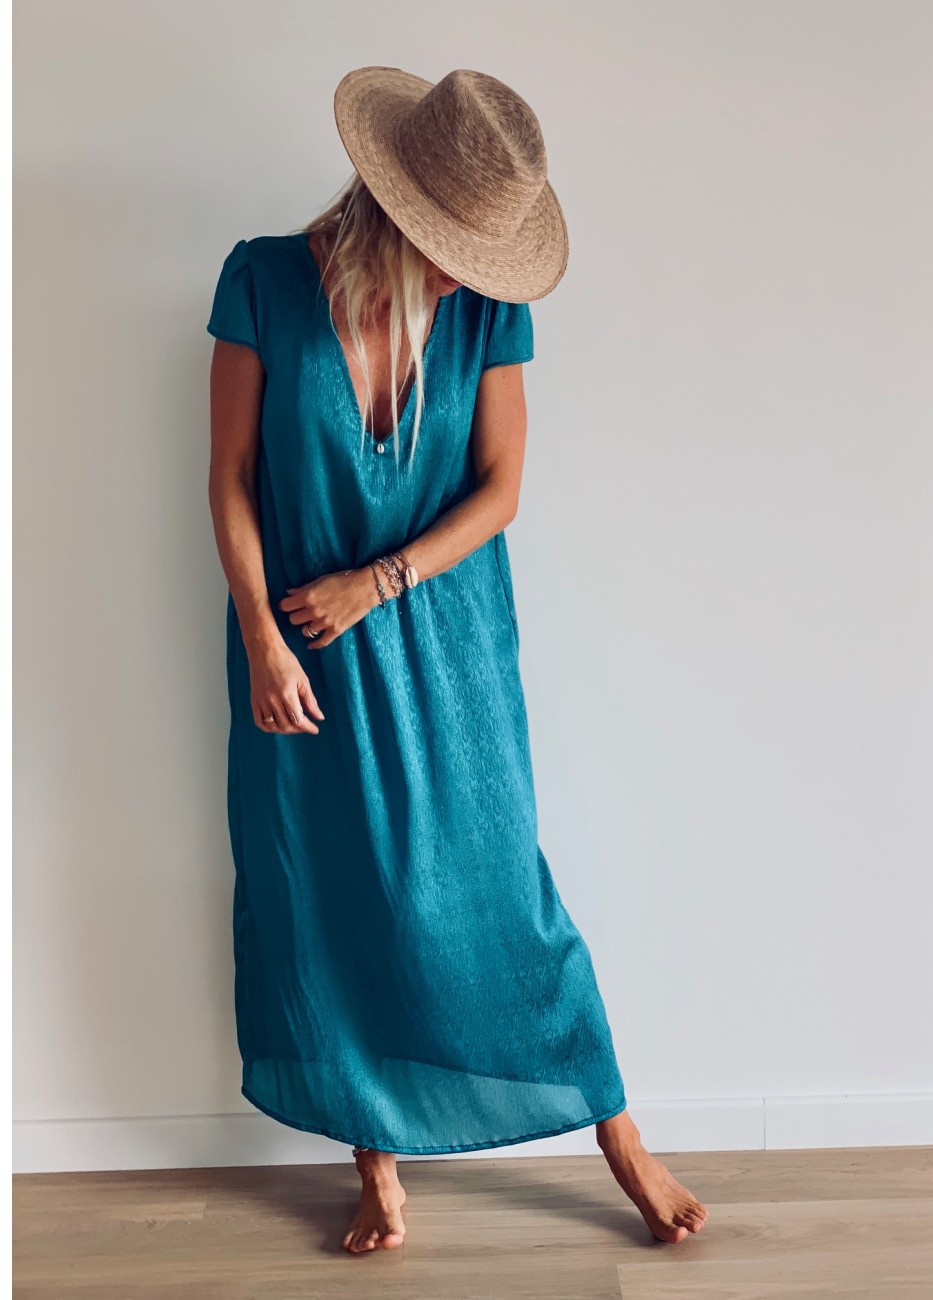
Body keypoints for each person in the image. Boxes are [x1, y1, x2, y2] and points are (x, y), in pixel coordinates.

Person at [206, 65, 707, 1254]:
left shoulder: (487, 312)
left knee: (498, 895)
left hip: (449, 642)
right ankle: (374, 1162)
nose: (462, 272)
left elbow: (500, 490)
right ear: (390, 205)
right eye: (446, 247)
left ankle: (620, 1134)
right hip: (301, 650)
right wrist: (260, 633)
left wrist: (377, 582)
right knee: (328, 893)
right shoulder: (262, 283)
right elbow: (227, 477)